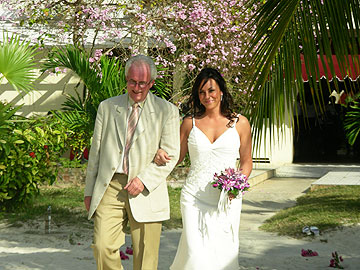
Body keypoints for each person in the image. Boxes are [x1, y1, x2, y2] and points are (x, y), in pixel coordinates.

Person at [83, 54, 180, 270]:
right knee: (102, 246)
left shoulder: (168, 111)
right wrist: (89, 192)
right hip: (110, 186)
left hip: (147, 189)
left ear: (151, 83)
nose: (136, 88)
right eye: (132, 82)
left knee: (146, 258)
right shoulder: (107, 107)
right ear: (126, 80)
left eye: (142, 83)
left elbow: (172, 153)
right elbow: (96, 154)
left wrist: (144, 180)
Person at [154, 68, 252, 270]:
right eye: (202, 92)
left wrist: (237, 184)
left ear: (221, 91)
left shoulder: (241, 123)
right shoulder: (189, 123)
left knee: (224, 254)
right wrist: (158, 153)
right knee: (195, 253)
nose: (207, 96)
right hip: (194, 197)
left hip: (226, 198)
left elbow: (246, 162)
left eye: (211, 90)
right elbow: (176, 157)